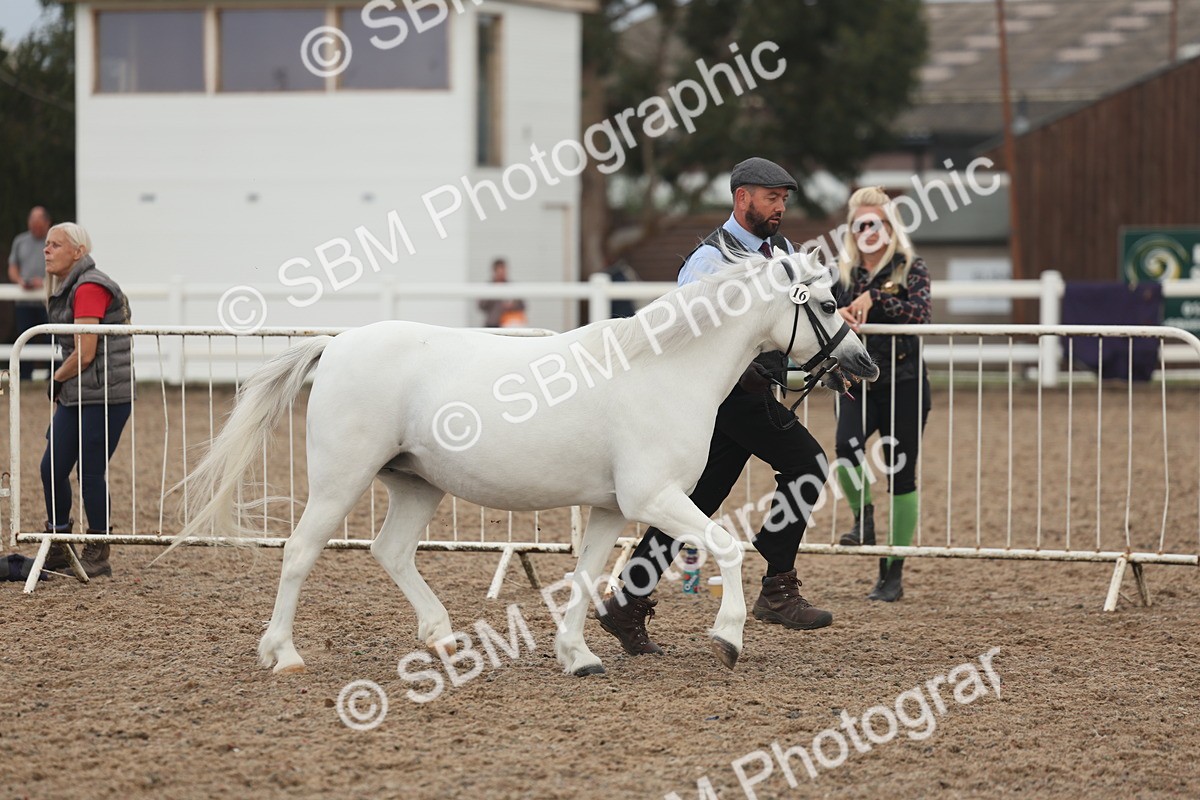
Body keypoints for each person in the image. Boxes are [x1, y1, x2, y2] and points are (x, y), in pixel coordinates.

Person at [595, 157, 834, 657]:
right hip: (726, 398)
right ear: (742, 197)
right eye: (772, 198)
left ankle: (627, 603)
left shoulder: (784, 254)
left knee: (693, 504)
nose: (780, 208)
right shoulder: (710, 261)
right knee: (807, 463)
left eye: (785, 200)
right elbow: (692, 339)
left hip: (749, 392)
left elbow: (787, 323)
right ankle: (777, 584)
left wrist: (816, 361)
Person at [833, 187, 932, 602]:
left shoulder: (911, 267)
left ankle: (892, 573)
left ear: (890, 228)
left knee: (901, 474)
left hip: (906, 383)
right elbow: (823, 320)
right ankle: (863, 520)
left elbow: (920, 314)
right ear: (852, 231)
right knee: (846, 447)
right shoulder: (842, 274)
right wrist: (836, 313)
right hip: (857, 383)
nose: (868, 231)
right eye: (861, 225)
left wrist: (876, 299)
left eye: (876, 223)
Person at [39, 222, 135, 579]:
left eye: (55, 245)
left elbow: (85, 352)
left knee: (90, 473)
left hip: (105, 395)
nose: (46, 250)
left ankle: (98, 547)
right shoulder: (70, 286)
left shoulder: (90, 286)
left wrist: (56, 378)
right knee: (51, 467)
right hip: (80, 392)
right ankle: (60, 541)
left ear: (78, 252)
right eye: (46, 244)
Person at [7, 206, 52, 380]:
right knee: (24, 340)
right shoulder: (20, 241)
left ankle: (53, 377)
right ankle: (23, 378)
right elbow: (13, 267)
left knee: (52, 339)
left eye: (39, 225)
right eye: (32, 224)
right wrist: (20, 281)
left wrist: (45, 282)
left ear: (47, 223)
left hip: (48, 301)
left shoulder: (54, 240)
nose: (35, 228)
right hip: (24, 302)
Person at [478, 258, 527, 327]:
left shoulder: (511, 286)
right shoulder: (488, 286)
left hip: (509, 324)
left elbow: (522, 305)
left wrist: (512, 305)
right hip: (492, 324)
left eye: (504, 269)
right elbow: (481, 305)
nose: (502, 272)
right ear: (494, 271)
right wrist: (493, 293)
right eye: (499, 270)